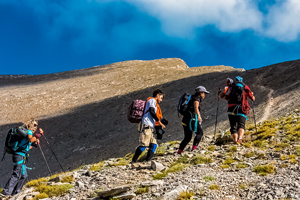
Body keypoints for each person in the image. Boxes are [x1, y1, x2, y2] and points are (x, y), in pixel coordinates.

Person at [1, 119, 42, 197]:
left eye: (36, 125)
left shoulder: (26, 133)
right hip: (19, 155)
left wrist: (33, 145)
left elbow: (25, 146)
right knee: (17, 173)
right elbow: (30, 139)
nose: (36, 127)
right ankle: (6, 192)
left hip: (21, 155)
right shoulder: (28, 131)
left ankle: (16, 192)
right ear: (29, 124)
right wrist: (38, 135)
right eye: (34, 124)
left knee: (23, 175)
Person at [132, 89, 165, 162]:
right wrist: (158, 121)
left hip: (150, 127)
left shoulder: (154, 102)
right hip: (146, 125)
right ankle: (133, 160)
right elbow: (152, 111)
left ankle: (148, 161)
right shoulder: (152, 101)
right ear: (158, 95)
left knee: (154, 145)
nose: (161, 100)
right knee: (144, 145)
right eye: (161, 98)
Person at [220, 76, 255, 144]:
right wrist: (253, 95)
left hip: (231, 108)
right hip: (242, 108)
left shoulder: (230, 87)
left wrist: (220, 93)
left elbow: (223, 95)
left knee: (233, 126)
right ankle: (240, 138)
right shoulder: (245, 87)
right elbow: (252, 98)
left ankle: (234, 141)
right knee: (241, 124)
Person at [177, 86, 209, 154]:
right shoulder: (196, 98)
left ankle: (179, 151)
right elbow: (196, 108)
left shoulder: (192, 97)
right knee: (200, 133)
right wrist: (199, 117)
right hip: (192, 119)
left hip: (185, 119)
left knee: (187, 137)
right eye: (204, 93)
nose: (204, 95)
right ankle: (194, 149)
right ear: (200, 93)